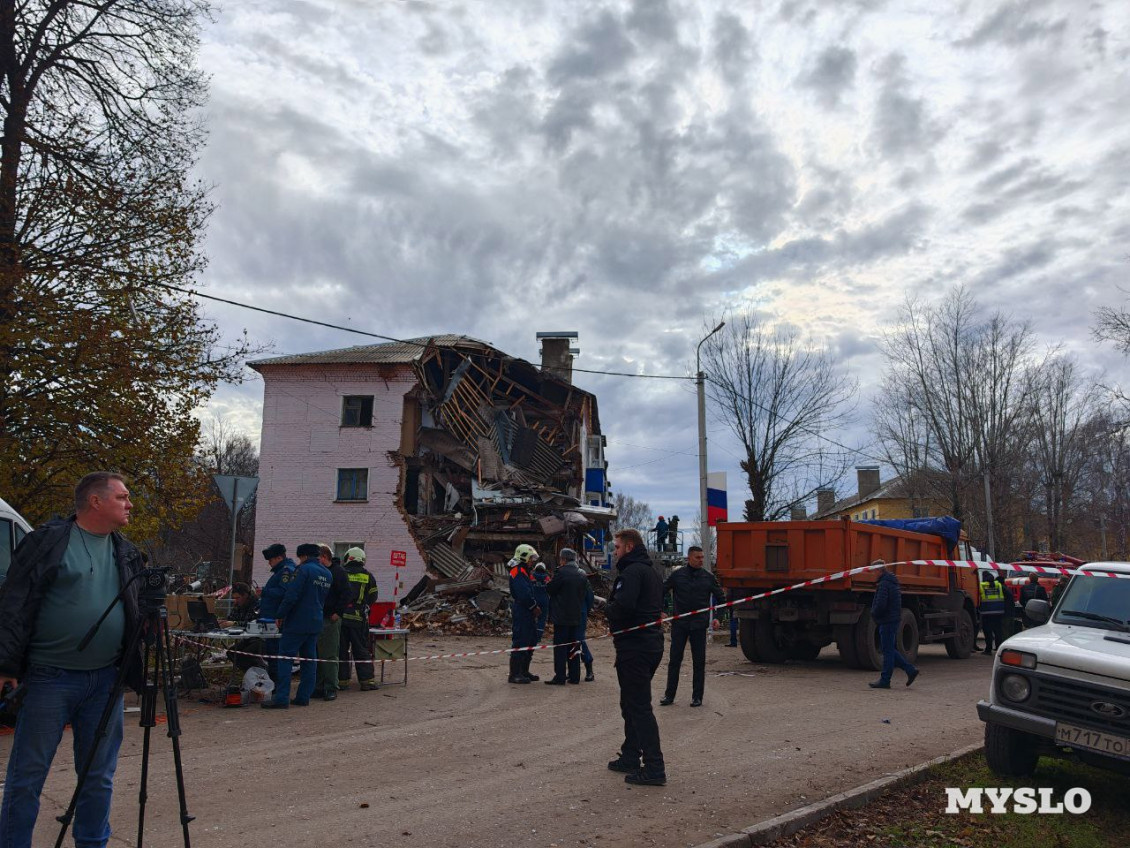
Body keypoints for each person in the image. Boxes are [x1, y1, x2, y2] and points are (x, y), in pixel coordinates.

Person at [0, 471, 144, 848]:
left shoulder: (126, 551)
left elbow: (134, 610)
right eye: (122, 497)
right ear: (96, 501)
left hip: (105, 682)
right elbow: (14, 604)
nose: (129, 505)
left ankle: (91, 843)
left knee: (98, 776)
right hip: (50, 678)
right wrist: (6, 665)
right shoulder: (46, 542)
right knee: (27, 777)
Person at [605, 529, 666, 786]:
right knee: (630, 704)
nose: (614, 551)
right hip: (648, 645)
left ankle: (654, 767)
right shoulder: (649, 571)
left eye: (617, 547)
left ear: (629, 547)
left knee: (639, 707)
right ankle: (631, 754)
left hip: (636, 648)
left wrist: (603, 607)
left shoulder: (631, 573)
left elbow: (623, 608)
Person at [263, 543, 331, 709]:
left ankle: (281, 698)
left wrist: (280, 615)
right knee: (309, 660)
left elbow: (291, 595)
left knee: (285, 659)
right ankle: (303, 697)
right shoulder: (327, 574)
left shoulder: (303, 570)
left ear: (304, 556)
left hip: (297, 622)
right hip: (316, 621)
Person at [660, 545, 725, 707]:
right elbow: (660, 591)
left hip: (699, 625)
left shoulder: (708, 577)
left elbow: (722, 599)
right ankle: (669, 695)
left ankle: (697, 697)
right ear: (689, 558)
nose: (701, 560)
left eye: (703, 557)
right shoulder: (677, 575)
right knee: (674, 660)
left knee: (699, 662)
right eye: (698, 557)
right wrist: (661, 610)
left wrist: (718, 618)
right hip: (680, 624)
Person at [867, 559, 919, 689]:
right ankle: (910, 670)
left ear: (879, 570)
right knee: (889, 649)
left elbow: (881, 604)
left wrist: (873, 613)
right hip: (892, 619)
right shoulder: (891, 582)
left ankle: (885, 680)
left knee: (888, 651)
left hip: (887, 620)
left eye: (874, 571)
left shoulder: (884, 584)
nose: (873, 574)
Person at [545, 548, 589, 685]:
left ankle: (560, 676)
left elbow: (550, 589)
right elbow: (584, 594)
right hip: (576, 615)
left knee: (560, 647)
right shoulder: (582, 574)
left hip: (561, 616)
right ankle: (575, 676)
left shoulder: (561, 573)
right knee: (574, 647)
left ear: (563, 559)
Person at [338, 547, 379, 692]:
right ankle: (367, 681)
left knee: (341, 650)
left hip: (340, 618)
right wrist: (364, 605)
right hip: (358, 618)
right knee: (361, 649)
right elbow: (373, 596)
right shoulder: (368, 576)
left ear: (348, 558)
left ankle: (342, 682)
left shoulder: (341, 573)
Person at [314, 544, 351, 701]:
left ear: (324, 557)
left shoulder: (339, 572)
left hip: (331, 617)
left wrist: (338, 612)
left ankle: (331, 687)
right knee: (317, 654)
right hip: (318, 616)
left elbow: (347, 594)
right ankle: (319, 685)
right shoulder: (320, 572)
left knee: (329, 653)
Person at [258, 543, 297, 684]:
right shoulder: (281, 571)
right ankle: (275, 685)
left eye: (271, 559)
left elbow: (284, 592)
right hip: (272, 620)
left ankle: (277, 687)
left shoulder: (286, 571)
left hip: (277, 620)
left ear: (279, 558)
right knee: (272, 655)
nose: (269, 563)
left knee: (276, 655)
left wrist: (265, 592)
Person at [507, 544, 542, 684]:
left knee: (531, 639)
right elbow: (523, 594)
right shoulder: (518, 571)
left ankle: (524, 670)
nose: (532, 562)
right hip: (522, 609)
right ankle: (515, 673)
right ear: (523, 557)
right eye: (531, 559)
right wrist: (534, 606)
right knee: (520, 640)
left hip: (527, 610)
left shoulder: (524, 571)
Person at [222, 583, 266, 686]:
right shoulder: (238, 605)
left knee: (243, 655)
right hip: (247, 638)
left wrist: (235, 623)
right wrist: (223, 622)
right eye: (234, 598)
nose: (236, 600)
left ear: (246, 595)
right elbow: (232, 618)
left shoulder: (257, 605)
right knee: (232, 653)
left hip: (260, 638)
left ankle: (260, 674)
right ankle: (252, 675)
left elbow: (253, 623)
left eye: (238, 598)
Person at [978, 571, 1005, 655]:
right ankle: (999, 649)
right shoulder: (999, 585)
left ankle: (988, 649)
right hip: (998, 612)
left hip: (987, 613)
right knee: (998, 631)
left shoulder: (982, 585)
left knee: (988, 631)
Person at [579, 571, 596, 682]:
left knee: (580, 641)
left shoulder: (585, 583)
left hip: (580, 614)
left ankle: (589, 668)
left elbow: (590, 599)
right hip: (577, 613)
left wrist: (585, 610)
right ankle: (572, 670)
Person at [531, 562, 550, 645]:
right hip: (544, 601)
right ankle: (538, 637)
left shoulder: (531, 576)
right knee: (542, 619)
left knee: (531, 618)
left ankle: (531, 636)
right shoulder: (547, 578)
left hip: (533, 601)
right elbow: (550, 588)